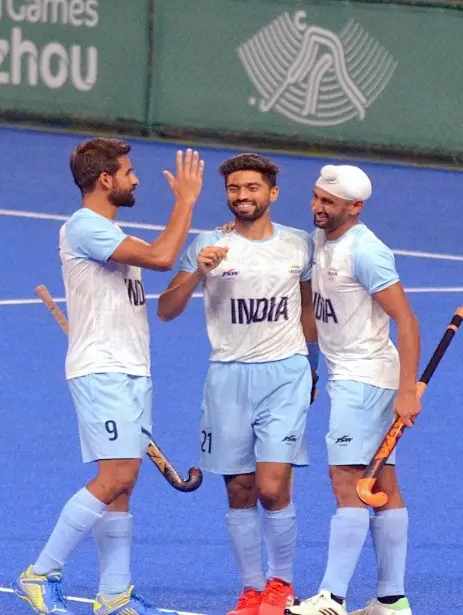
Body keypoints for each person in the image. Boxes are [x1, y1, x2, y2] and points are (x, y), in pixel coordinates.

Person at [14, 138, 204, 615]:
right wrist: (185, 201)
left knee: (124, 482)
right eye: (128, 171)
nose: (135, 178)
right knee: (115, 475)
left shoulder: (106, 230)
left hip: (132, 370)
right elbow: (162, 257)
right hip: (103, 370)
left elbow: (156, 263)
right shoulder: (84, 228)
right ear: (105, 180)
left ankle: (114, 593)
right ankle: (39, 574)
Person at [156, 153, 319, 615]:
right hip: (227, 378)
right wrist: (197, 273)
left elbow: (307, 311)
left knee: (272, 487)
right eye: (234, 190)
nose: (242, 197)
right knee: (240, 490)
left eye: (251, 188)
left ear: (272, 193)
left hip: (284, 374)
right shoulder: (207, 244)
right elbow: (166, 310)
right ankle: (251, 591)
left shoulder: (299, 245)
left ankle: (282, 586)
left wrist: (312, 365)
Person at [289, 164, 422, 615]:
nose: (317, 208)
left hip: (366, 378)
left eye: (328, 202)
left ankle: (331, 597)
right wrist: (310, 367)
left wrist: (408, 390)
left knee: (347, 479)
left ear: (355, 206)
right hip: (350, 375)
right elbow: (312, 311)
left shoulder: (367, 252)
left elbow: (407, 321)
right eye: (315, 197)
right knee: (382, 481)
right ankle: (391, 600)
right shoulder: (319, 241)